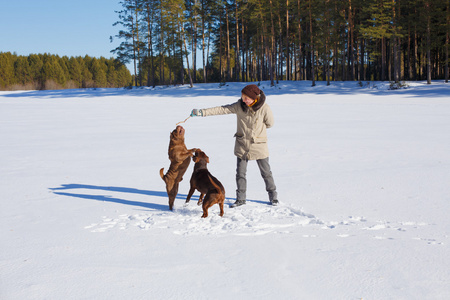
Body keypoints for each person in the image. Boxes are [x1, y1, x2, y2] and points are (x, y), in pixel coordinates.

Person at [190, 84, 278, 207]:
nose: (243, 100)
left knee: (266, 173)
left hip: (259, 145)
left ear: (254, 98)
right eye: (242, 97)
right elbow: (222, 109)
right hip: (242, 145)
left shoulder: (264, 108)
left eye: (246, 98)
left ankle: (273, 197)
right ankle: (241, 199)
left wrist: (258, 132)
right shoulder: (239, 106)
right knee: (240, 174)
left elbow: (270, 123)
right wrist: (202, 112)